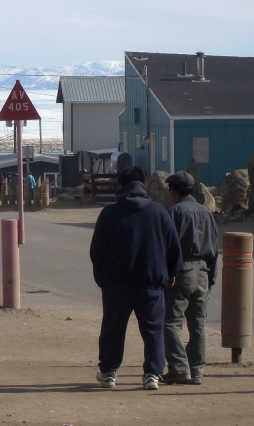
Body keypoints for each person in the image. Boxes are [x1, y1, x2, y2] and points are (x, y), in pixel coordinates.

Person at [90, 166, 181, 390]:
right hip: (151, 283)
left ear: (121, 185)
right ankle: (152, 374)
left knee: (113, 328)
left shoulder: (109, 213)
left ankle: (108, 372)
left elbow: (96, 251)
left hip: (116, 284)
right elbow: (173, 247)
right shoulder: (159, 212)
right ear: (142, 184)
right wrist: (172, 272)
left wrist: (102, 278)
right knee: (153, 330)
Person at [162, 172, 220, 385]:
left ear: (173, 191)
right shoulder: (206, 213)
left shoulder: (173, 213)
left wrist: (168, 273)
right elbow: (214, 248)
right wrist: (211, 278)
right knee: (198, 324)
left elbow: (167, 247)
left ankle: (179, 369)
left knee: (171, 322)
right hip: (203, 270)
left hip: (181, 270)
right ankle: (197, 371)